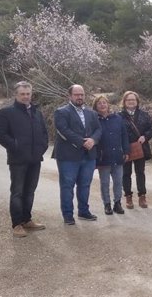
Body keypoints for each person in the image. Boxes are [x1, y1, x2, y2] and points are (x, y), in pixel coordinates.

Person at [0, 81, 49, 238]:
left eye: (28, 94)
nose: (26, 96)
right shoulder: (6, 113)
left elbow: (44, 134)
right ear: (16, 95)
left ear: (32, 94)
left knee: (30, 192)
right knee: (17, 192)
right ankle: (17, 224)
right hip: (18, 160)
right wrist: (16, 146)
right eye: (22, 94)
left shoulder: (37, 112)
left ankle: (27, 219)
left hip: (35, 159)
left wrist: (41, 148)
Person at [52, 84, 102, 225]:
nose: (80, 97)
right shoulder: (61, 112)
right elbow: (63, 130)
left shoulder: (92, 113)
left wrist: (93, 140)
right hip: (68, 156)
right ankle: (68, 215)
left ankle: (83, 212)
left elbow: (98, 129)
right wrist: (81, 142)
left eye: (82, 94)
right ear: (70, 96)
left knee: (85, 184)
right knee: (67, 185)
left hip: (89, 155)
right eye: (76, 94)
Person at [93, 95, 129, 215]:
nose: (102, 105)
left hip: (118, 156)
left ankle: (117, 203)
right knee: (105, 183)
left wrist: (126, 151)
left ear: (108, 105)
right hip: (103, 157)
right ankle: (107, 204)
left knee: (118, 181)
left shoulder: (117, 118)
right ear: (96, 106)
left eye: (104, 103)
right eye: (99, 103)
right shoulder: (94, 120)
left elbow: (124, 136)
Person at [119, 91, 152, 209]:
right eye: (128, 100)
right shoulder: (119, 116)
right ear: (124, 102)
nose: (131, 102)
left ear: (137, 101)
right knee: (126, 173)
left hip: (140, 148)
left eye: (133, 100)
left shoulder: (144, 114)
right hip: (125, 149)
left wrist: (145, 136)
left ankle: (142, 196)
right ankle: (128, 197)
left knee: (140, 172)